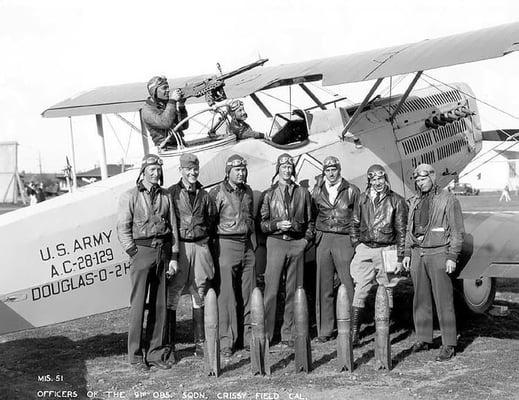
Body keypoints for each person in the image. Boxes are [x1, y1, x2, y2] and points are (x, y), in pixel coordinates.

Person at [116, 154, 179, 371]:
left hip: (162, 251)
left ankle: (155, 354)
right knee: (138, 305)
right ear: (143, 171)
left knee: (159, 306)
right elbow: (122, 228)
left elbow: (173, 228)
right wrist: (134, 252)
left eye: (158, 169)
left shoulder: (166, 196)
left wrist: (174, 256)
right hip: (141, 252)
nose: (155, 173)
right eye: (151, 169)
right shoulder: (129, 196)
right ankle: (135, 356)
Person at [403, 163, 464, 362]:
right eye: (418, 180)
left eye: (424, 178)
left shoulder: (448, 199)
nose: (421, 183)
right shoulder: (414, 201)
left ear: (433, 176)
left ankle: (448, 343)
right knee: (420, 298)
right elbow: (408, 229)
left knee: (443, 299)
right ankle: (423, 337)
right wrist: (406, 253)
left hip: (438, 253)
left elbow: (457, 232)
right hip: (416, 253)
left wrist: (452, 256)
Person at [349, 164, 408, 345]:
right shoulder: (362, 199)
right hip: (365, 248)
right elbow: (354, 223)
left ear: (386, 179)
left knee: (387, 289)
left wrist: (400, 256)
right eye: (373, 179)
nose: (377, 182)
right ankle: (354, 334)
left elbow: (402, 231)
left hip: (387, 248)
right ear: (369, 181)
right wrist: (357, 244)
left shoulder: (396, 201)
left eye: (380, 178)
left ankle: (383, 332)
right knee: (360, 289)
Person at [259, 153, 314, 346]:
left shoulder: (303, 193)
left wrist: (305, 242)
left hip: (296, 244)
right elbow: (262, 224)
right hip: (276, 243)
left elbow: (311, 222)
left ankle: (289, 333)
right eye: (284, 167)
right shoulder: (269, 194)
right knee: (271, 290)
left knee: (294, 289)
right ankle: (265, 334)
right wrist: (275, 226)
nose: (287, 170)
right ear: (278, 170)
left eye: (290, 167)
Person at [167, 153, 216, 357]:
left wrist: (204, 240)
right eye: (188, 169)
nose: (193, 172)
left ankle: (200, 342)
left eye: (195, 169)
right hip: (181, 248)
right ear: (181, 170)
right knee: (174, 294)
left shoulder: (205, 195)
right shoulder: (171, 193)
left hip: (200, 246)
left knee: (200, 291)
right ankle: (168, 344)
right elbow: (169, 223)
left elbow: (211, 219)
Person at [209, 154, 255, 357]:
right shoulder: (216, 193)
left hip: (247, 246)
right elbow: (210, 223)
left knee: (249, 292)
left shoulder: (248, 191)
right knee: (226, 296)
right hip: (226, 245)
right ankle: (227, 341)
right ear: (228, 172)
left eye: (243, 169)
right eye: (237, 169)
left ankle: (249, 336)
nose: (241, 172)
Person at [311, 156, 360, 342]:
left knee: (348, 283)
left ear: (339, 170)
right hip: (324, 237)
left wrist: (355, 241)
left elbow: (357, 217)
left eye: (334, 169)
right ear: (324, 171)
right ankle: (325, 329)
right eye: (328, 170)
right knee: (324, 285)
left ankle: (350, 327)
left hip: (344, 237)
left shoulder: (352, 190)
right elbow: (313, 213)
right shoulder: (316, 191)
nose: (331, 173)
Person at [142, 75, 189, 149]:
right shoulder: (147, 111)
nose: (168, 90)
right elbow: (165, 123)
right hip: (167, 148)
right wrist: (172, 101)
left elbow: (183, 126)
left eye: (168, 87)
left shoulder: (166, 105)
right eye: (164, 88)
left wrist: (181, 105)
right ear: (154, 91)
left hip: (179, 145)